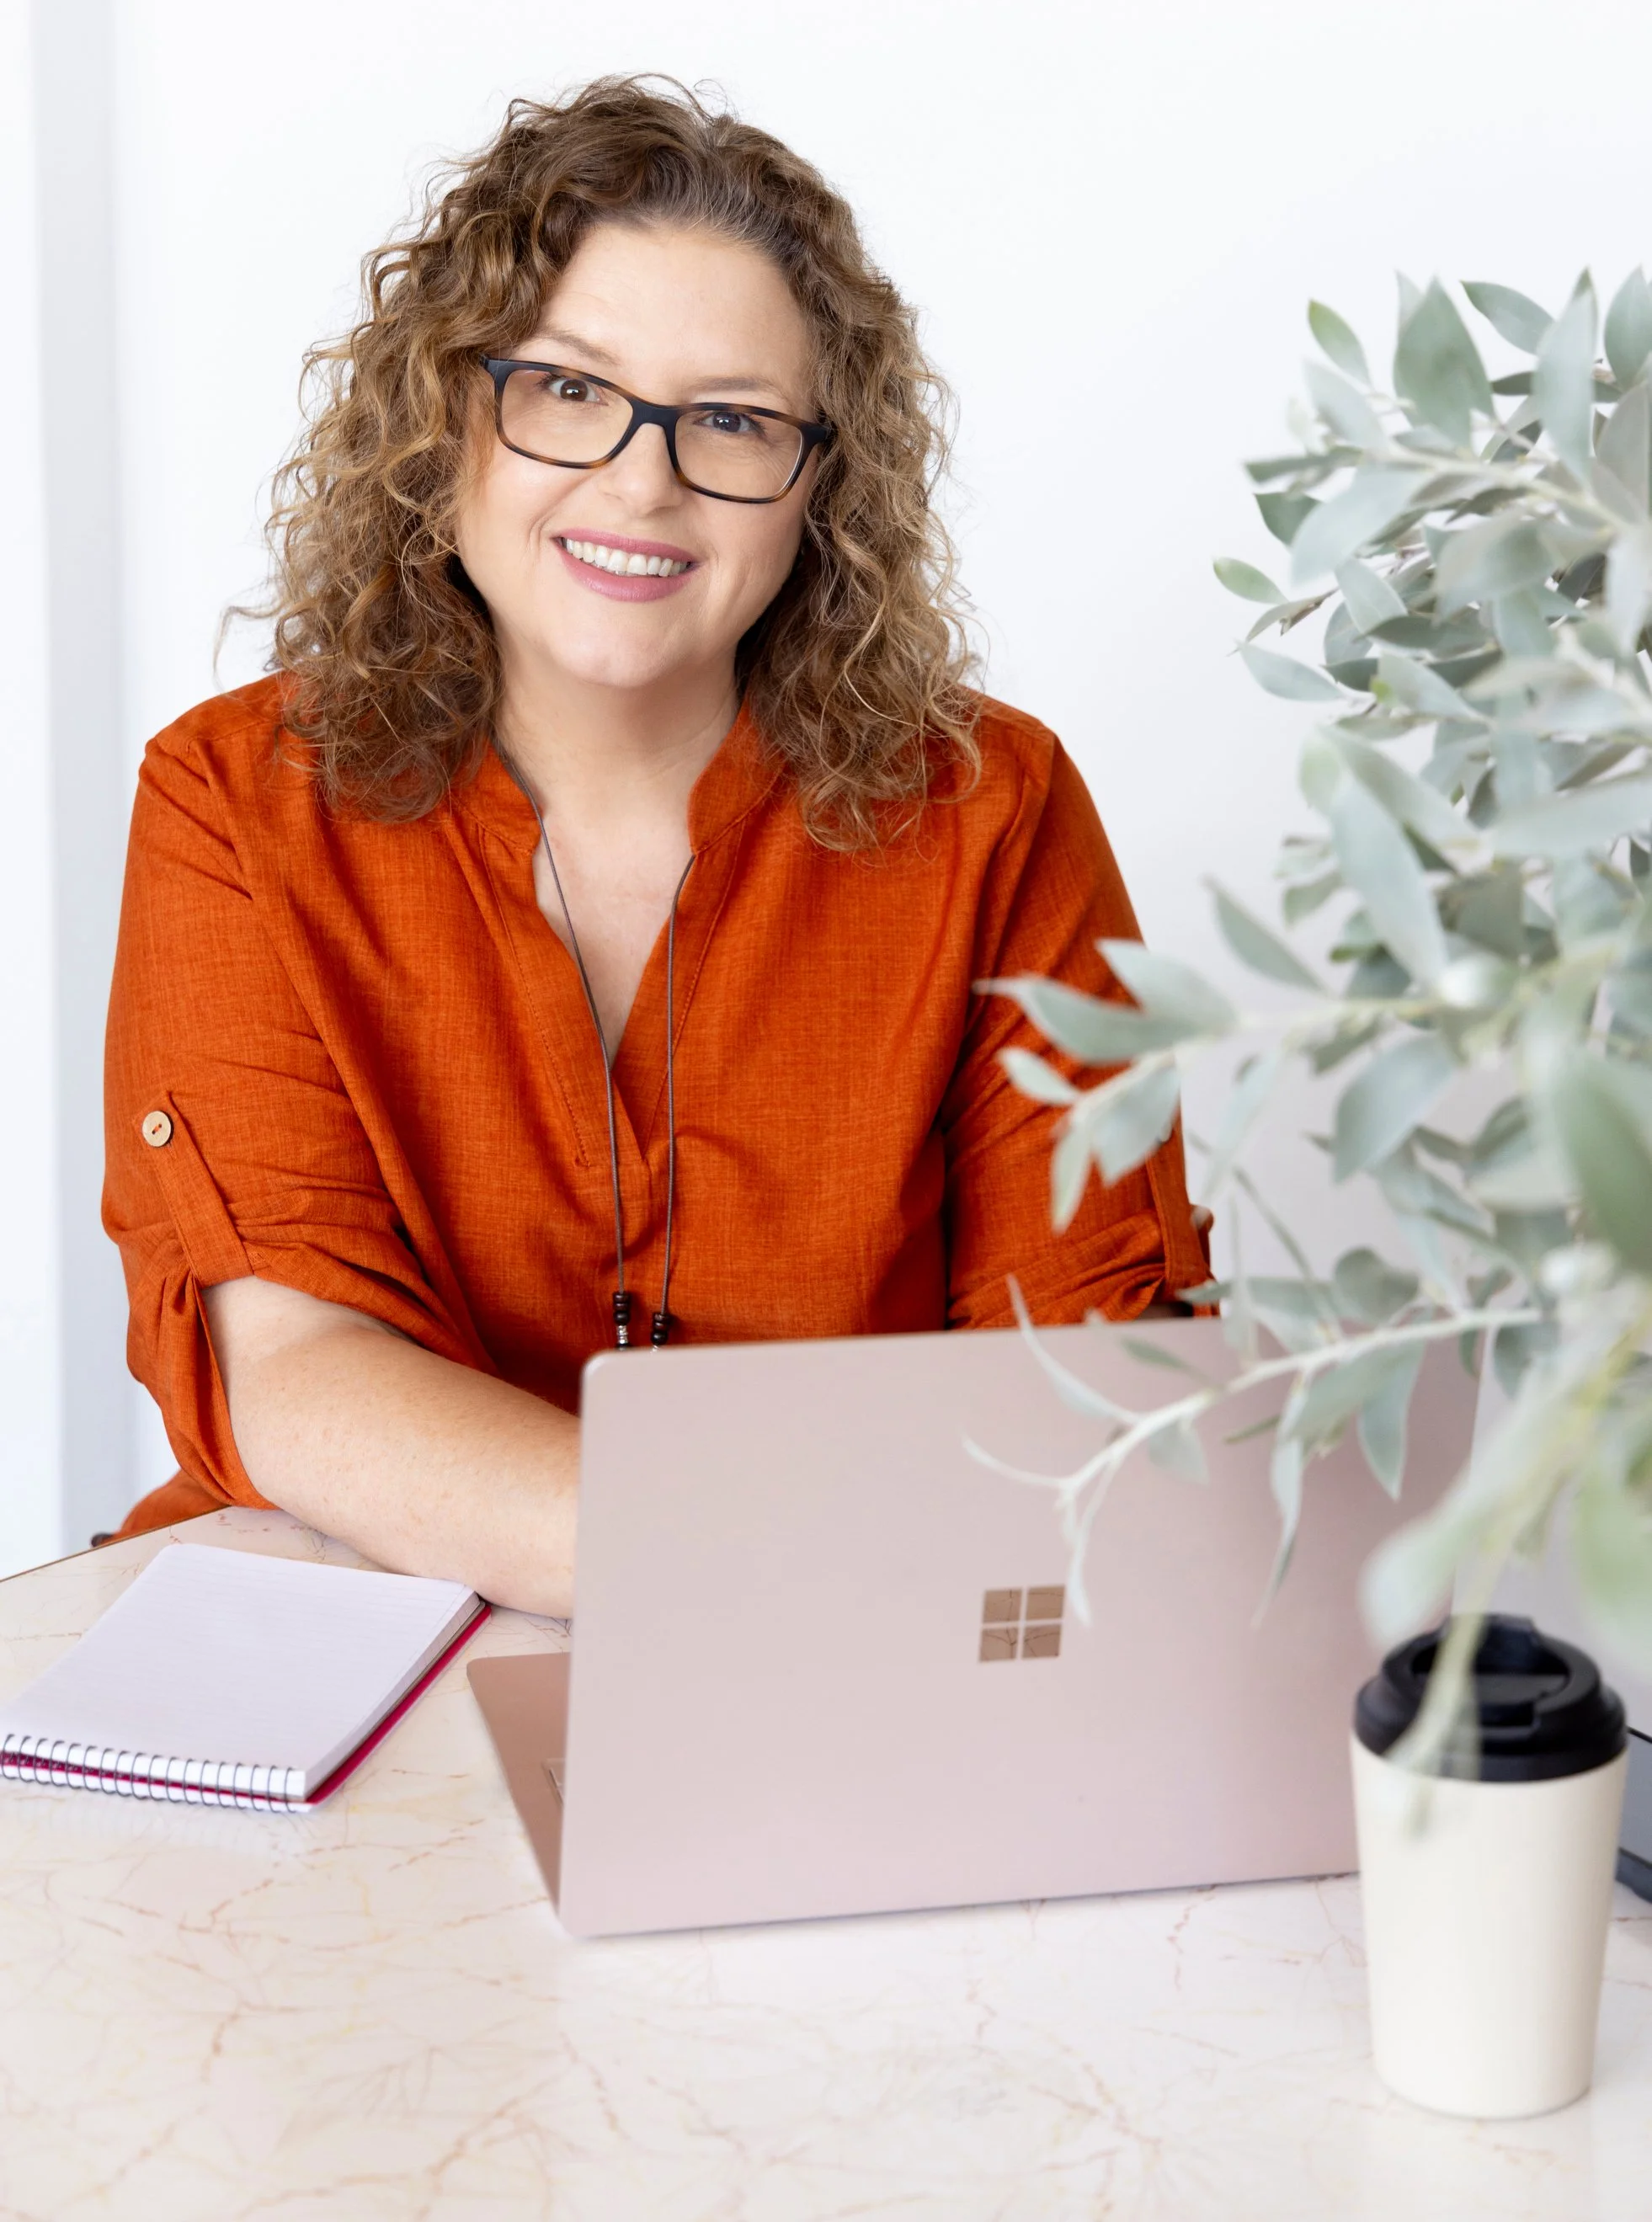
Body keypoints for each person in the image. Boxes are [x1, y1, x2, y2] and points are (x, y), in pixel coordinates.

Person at [103, 78, 1210, 1612]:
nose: (641, 479)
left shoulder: (991, 810)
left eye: (733, 421)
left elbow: (1086, 1380)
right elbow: (297, 1365)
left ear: (820, 488)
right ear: (445, 413)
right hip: (360, 1639)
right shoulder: (235, 796)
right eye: (565, 389)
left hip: (848, 1687)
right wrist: (761, 1578)